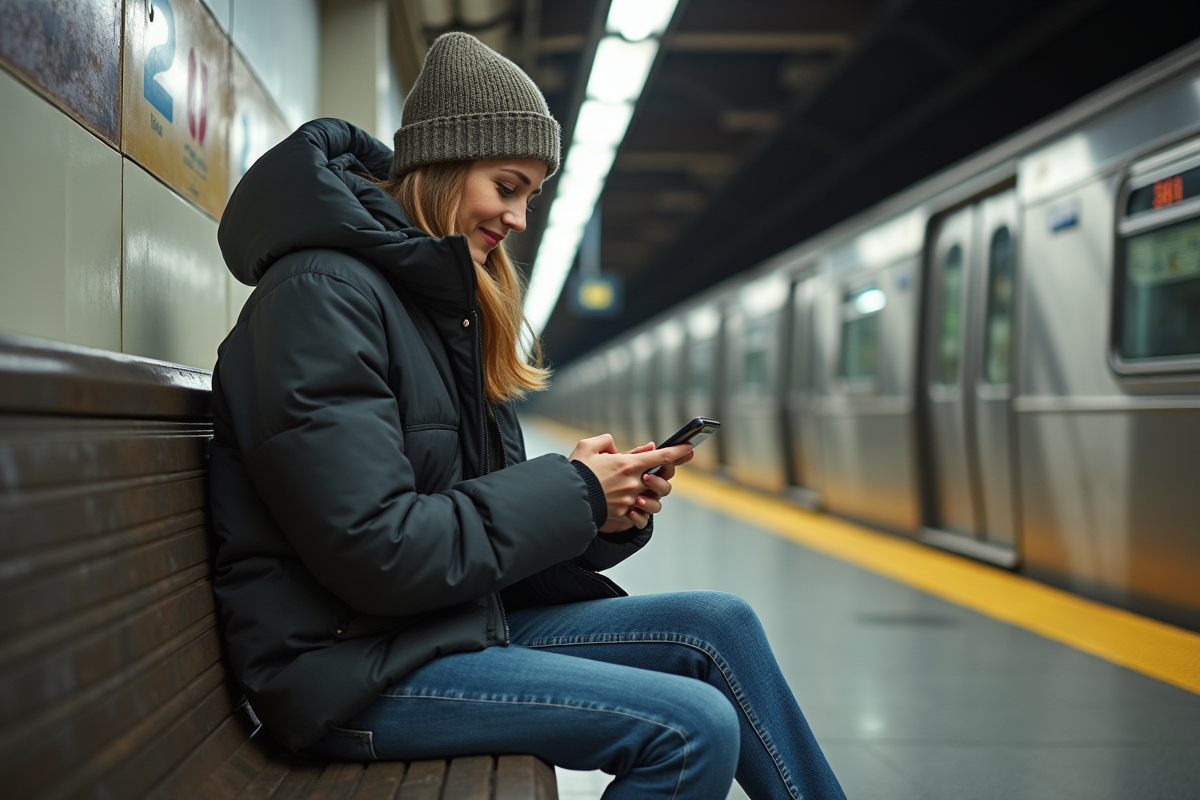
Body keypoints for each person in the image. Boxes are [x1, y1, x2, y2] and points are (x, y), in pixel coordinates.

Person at [210, 31, 845, 800]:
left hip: (434, 629)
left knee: (718, 624)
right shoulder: (322, 296)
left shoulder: (434, 306)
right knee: (690, 727)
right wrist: (571, 492)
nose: (516, 217)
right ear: (444, 163)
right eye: (506, 186)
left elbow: (470, 537)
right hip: (348, 671)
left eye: (529, 197)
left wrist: (595, 516)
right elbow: (379, 551)